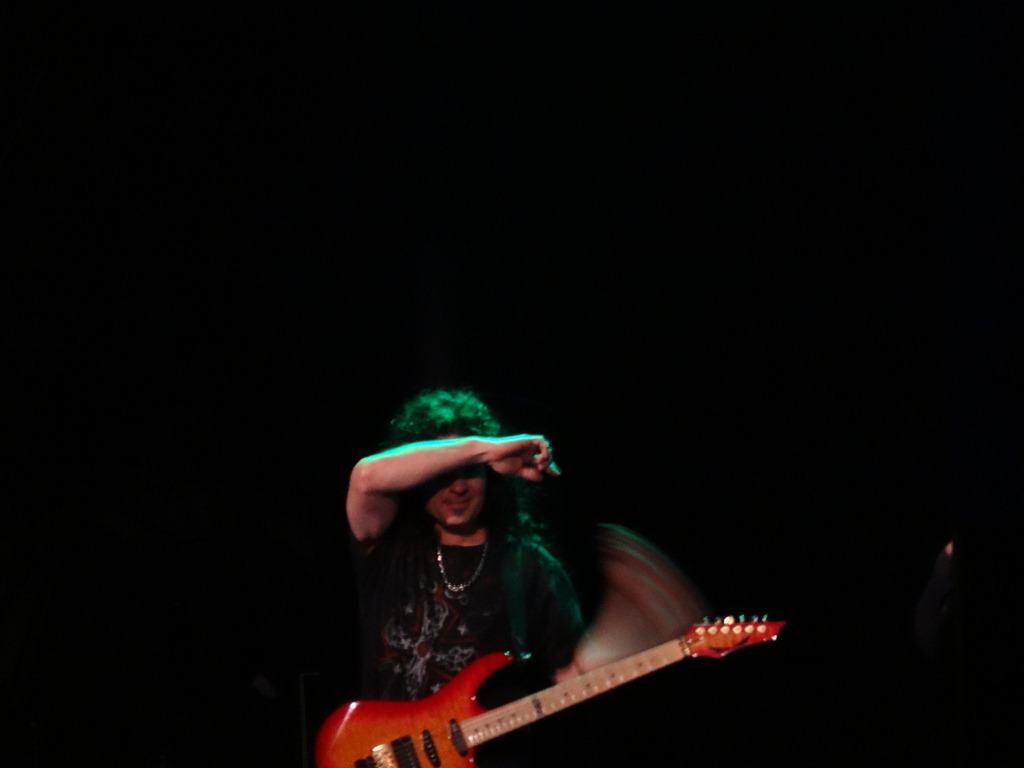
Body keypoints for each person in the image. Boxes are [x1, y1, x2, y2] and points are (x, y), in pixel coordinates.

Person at [343, 386, 586, 767]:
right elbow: (365, 477)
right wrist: (487, 449)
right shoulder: (389, 549)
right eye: (443, 472)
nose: (457, 486)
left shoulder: (531, 568)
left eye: (471, 472)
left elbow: (571, 673)